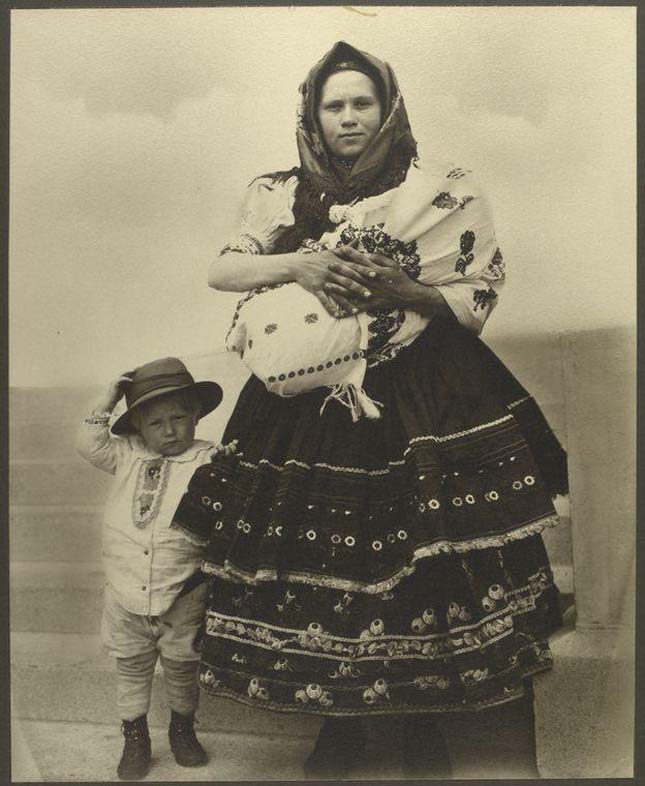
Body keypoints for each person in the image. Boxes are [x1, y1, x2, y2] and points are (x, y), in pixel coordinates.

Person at [172, 42, 568, 779]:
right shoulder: (279, 189)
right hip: (308, 401)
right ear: (313, 118)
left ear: (386, 110)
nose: (348, 117)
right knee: (317, 564)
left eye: (362, 103)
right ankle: (340, 725)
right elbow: (222, 268)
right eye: (334, 105)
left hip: (425, 394)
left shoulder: (443, 187)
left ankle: (421, 727)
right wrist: (300, 263)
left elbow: (475, 292)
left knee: (423, 564)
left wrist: (402, 289)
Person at [77, 356, 237, 780]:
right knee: (131, 666)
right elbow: (88, 443)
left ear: (197, 415)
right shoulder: (125, 454)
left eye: (179, 418)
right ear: (138, 428)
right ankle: (135, 736)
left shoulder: (210, 459)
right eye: (156, 423)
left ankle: (182, 730)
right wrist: (107, 399)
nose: (169, 430)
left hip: (183, 589)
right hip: (125, 589)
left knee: (183, 667)